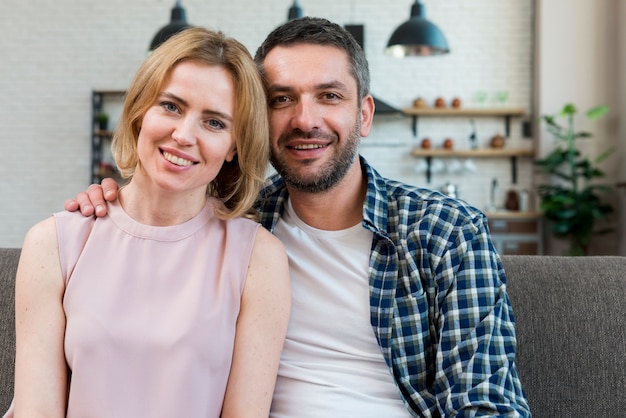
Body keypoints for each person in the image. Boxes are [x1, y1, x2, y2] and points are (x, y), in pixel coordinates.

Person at [65, 17, 531, 417]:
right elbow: (148, 233)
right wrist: (110, 202)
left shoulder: (445, 231)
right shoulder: (235, 226)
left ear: (364, 115)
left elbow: (487, 401)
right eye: (282, 99)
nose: (305, 120)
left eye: (329, 96)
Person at [7, 27, 290, 418]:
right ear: (141, 111)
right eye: (171, 106)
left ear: (235, 146)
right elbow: (37, 411)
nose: (183, 135)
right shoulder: (52, 243)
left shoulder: (258, 258)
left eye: (214, 123)